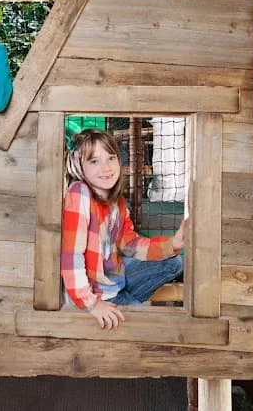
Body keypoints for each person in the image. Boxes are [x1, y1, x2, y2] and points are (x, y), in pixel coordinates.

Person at [61, 129, 185, 330]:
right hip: (92, 294)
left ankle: (125, 301)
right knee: (151, 327)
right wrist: (92, 304)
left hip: (114, 281)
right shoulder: (79, 193)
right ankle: (123, 305)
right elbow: (71, 257)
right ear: (79, 166)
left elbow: (131, 244)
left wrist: (173, 243)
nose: (106, 167)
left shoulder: (117, 203)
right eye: (94, 161)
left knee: (174, 262)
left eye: (111, 158)